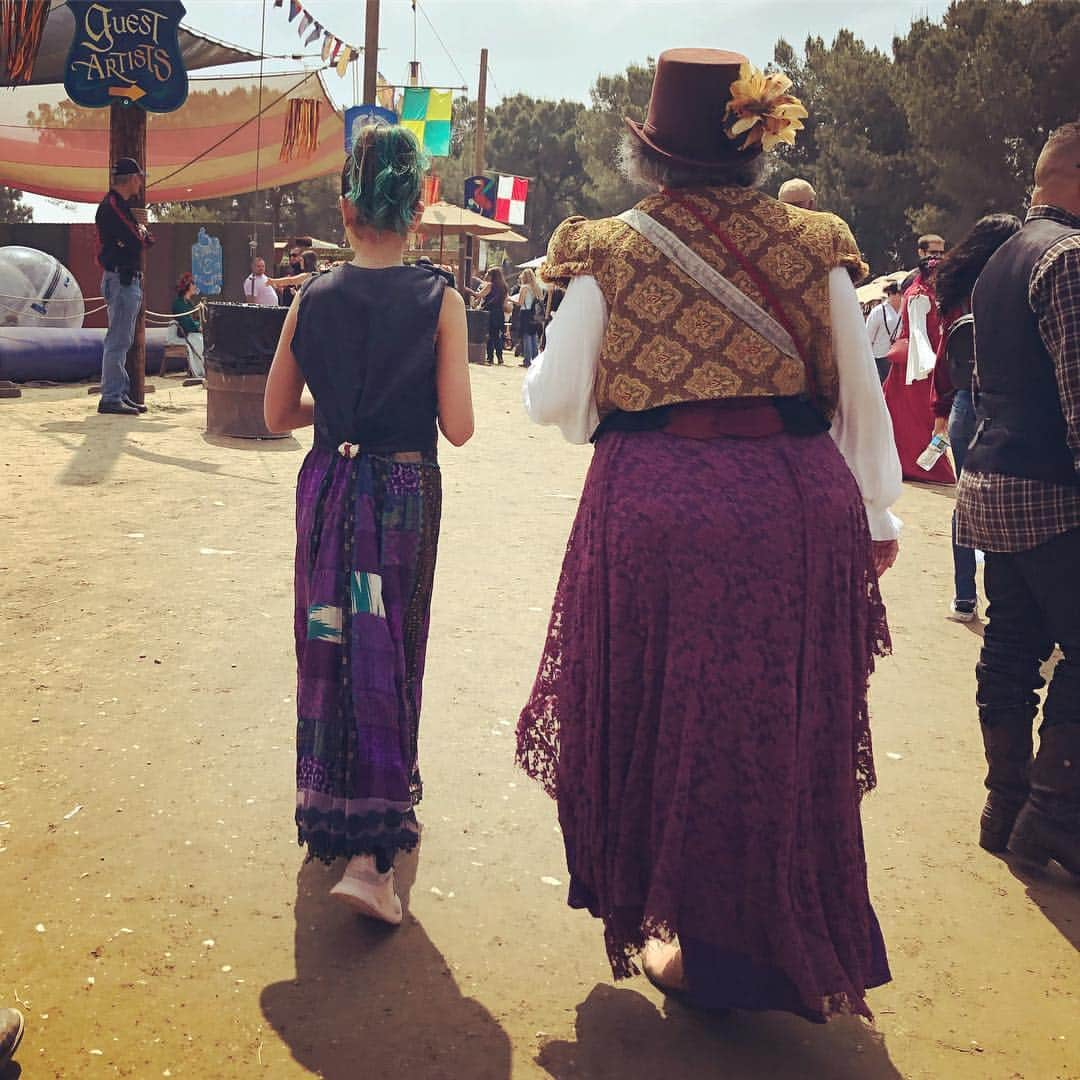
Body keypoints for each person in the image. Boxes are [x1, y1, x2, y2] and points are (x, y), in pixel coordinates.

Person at [516, 48, 902, 1022]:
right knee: (780, 725)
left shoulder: (612, 244)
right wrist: (878, 514)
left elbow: (556, 397)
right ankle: (786, 941)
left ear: (654, 154)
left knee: (661, 721)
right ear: (756, 147)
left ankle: (679, 929)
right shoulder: (816, 241)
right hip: (794, 509)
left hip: (661, 511)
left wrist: (602, 409)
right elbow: (859, 397)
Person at [263, 121, 473, 923]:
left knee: (330, 639)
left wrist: (338, 413)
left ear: (345, 208)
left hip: (328, 490)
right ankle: (373, 856)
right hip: (400, 497)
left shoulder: (310, 297)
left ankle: (336, 810)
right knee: (387, 645)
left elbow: (280, 412)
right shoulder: (439, 298)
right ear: (416, 206)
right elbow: (457, 425)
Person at [955, 121, 1080, 874]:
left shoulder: (999, 255)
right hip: (1052, 493)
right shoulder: (1069, 259)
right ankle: (1053, 812)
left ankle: (1007, 806)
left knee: (1010, 646)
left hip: (988, 485)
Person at [930, 214, 1022, 621]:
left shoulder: (957, 289)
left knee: (965, 503)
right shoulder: (1014, 283)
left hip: (964, 403)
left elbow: (943, 359)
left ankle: (965, 597)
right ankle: (1012, 599)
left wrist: (939, 409)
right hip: (1008, 402)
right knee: (1014, 499)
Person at [881, 241, 956, 483]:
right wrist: (931, 366)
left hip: (921, 365)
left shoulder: (926, 293)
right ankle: (922, 466)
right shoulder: (919, 295)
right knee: (920, 418)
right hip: (917, 368)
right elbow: (918, 334)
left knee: (913, 418)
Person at [95, 157, 154, 416]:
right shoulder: (112, 206)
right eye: (139, 177)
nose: (140, 183)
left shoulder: (120, 205)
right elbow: (136, 239)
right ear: (131, 179)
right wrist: (139, 232)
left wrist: (140, 233)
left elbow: (143, 238)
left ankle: (119, 393)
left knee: (122, 339)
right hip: (121, 279)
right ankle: (111, 397)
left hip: (125, 279)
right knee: (118, 341)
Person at [865, 281, 903, 384]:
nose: (901, 296)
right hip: (882, 356)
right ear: (891, 294)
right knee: (885, 385)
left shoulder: (904, 309)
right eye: (898, 293)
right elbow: (868, 337)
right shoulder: (878, 311)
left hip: (900, 354)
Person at [170, 271, 206, 379]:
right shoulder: (178, 303)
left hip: (192, 332)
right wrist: (198, 327)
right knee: (199, 340)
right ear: (188, 286)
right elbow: (186, 322)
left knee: (203, 339)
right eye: (193, 284)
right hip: (185, 334)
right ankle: (199, 371)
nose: (195, 286)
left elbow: (194, 318)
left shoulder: (189, 303)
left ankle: (206, 368)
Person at [471, 267, 508, 364]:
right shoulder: (504, 287)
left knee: (489, 336)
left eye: (488, 273)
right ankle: (500, 357)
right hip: (499, 313)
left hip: (489, 313)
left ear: (493, 276)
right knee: (497, 335)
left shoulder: (490, 286)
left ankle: (490, 357)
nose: (486, 275)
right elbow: (505, 303)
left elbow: (479, 295)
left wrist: (468, 290)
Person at [513, 268, 545, 368]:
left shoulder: (524, 288)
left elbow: (520, 303)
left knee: (526, 336)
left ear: (525, 277)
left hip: (525, 313)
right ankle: (535, 359)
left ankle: (527, 360)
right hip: (535, 314)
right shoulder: (537, 287)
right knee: (533, 336)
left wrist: (510, 299)